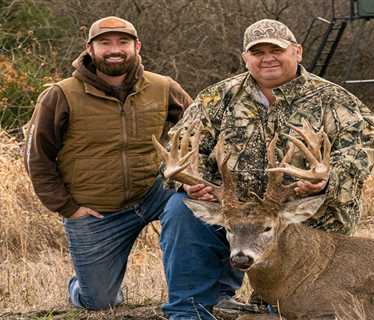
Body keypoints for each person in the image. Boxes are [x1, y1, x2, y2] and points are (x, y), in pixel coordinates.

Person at [24, 16, 243, 319]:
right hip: (97, 210)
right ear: (90, 48)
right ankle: (84, 288)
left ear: (137, 46)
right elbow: (36, 157)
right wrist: (68, 206)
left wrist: (195, 180)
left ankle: (218, 292)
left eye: (123, 42)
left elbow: (201, 134)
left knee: (208, 201)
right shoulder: (60, 95)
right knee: (99, 301)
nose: (115, 49)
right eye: (105, 43)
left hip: (154, 192)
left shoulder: (162, 86)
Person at [171, 18, 374, 238]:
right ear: (245, 58)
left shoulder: (336, 100)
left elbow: (361, 150)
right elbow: (180, 146)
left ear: (297, 52)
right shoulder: (215, 98)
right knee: (179, 209)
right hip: (232, 218)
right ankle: (206, 274)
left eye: (276, 50)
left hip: (308, 222)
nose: (268, 58)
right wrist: (195, 183)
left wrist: (327, 180)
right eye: (258, 52)